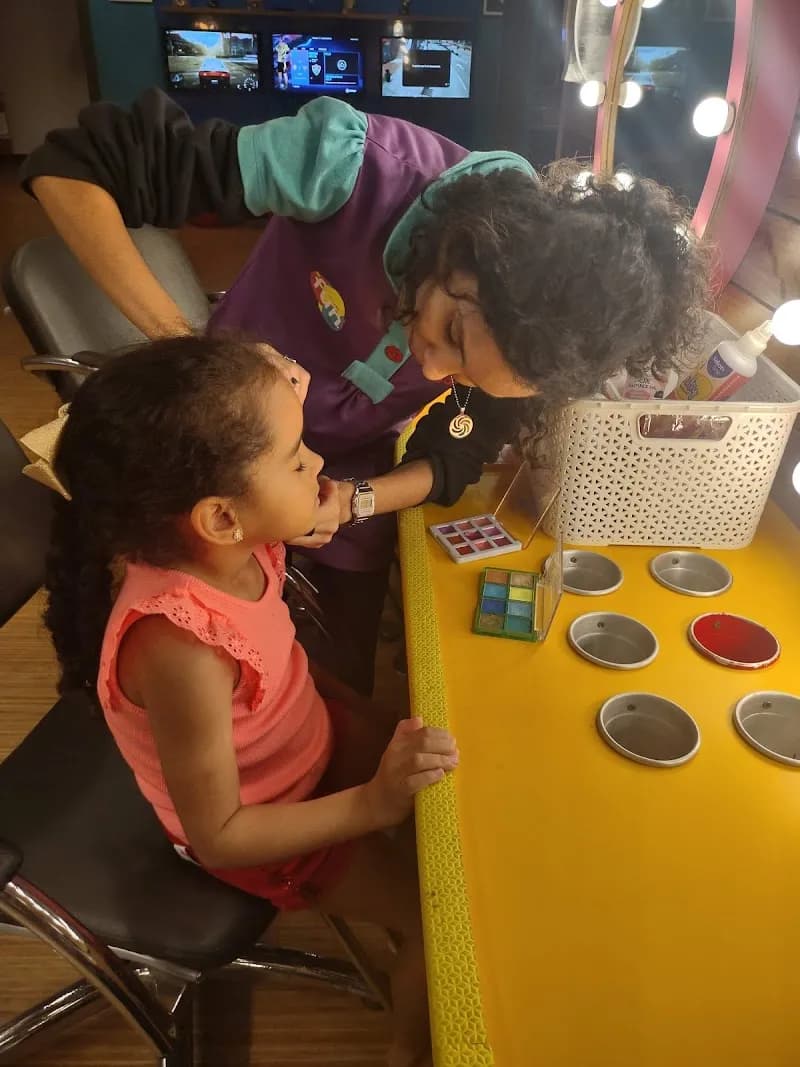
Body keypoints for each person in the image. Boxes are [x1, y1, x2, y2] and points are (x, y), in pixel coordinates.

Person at [21, 90, 710, 691]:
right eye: (450, 332)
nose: (435, 372)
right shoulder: (351, 166)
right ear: (463, 248)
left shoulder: (536, 337)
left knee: (328, 673)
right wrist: (198, 353)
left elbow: (456, 450)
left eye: (467, 377)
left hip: (339, 477)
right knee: (192, 647)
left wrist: (355, 500)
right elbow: (69, 167)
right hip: (217, 441)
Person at [32, 335, 458, 1067]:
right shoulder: (182, 650)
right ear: (221, 517)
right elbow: (221, 835)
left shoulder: (233, 540)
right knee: (441, 923)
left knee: (458, 787)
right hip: (264, 832)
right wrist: (372, 805)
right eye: (297, 458)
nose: (317, 464)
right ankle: (410, 1050)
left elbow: (279, 651)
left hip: (306, 739)